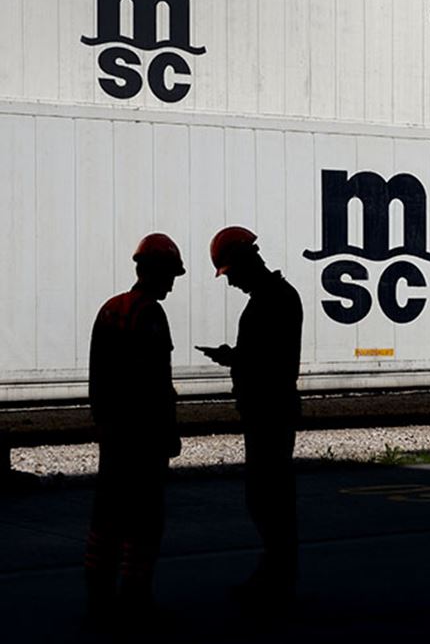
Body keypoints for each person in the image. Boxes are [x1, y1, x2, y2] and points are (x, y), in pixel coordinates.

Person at [196, 226, 303, 605]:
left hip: (269, 411)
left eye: (229, 273)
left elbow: (270, 362)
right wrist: (237, 358)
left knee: (267, 496)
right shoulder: (276, 296)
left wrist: (234, 358)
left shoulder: (273, 300)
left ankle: (276, 576)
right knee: (269, 496)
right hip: (268, 410)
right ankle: (277, 572)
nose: (230, 282)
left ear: (243, 262)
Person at [84, 233, 185, 620]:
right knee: (145, 520)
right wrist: (169, 431)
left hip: (113, 433)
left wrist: (102, 421)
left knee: (107, 517)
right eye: (170, 275)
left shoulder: (110, 309)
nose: (172, 284)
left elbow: (98, 376)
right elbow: (156, 382)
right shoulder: (150, 315)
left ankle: (99, 598)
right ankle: (135, 598)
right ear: (155, 272)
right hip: (143, 435)